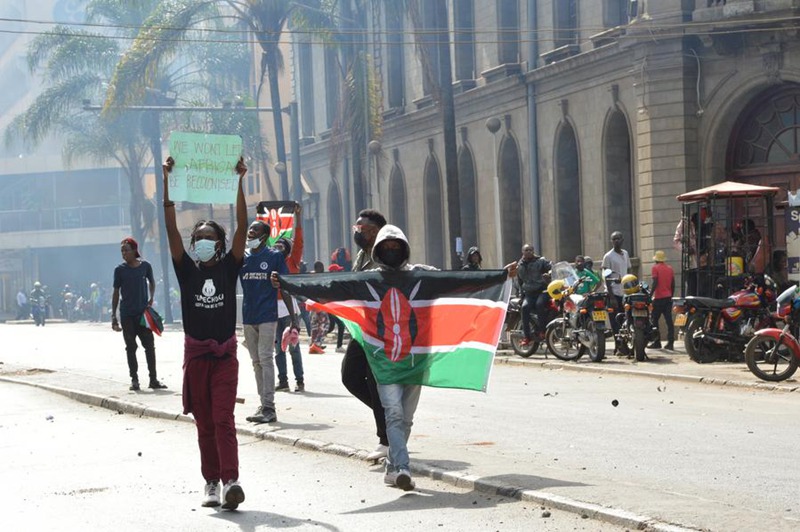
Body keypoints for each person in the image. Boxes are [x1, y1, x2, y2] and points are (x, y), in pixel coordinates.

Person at [162, 155, 247, 510]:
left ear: (221, 243)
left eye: (210, 238)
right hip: (196, 357)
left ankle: (231, 481)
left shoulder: (230, 267)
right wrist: (167, 180)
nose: (203, 242)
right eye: (198, 238)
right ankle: (211, 482)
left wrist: (240, 181)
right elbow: (169, 229)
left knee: (224, 419)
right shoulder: (186, 270)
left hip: (225, 355)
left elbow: (243, 226)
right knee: (204, 423)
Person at [342, 209, 390, 461]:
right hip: (362, 328)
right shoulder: (362, 255)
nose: (357, 232)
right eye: (356, 228)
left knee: (374, 380)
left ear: (374, 230)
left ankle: (386, 437)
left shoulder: (388, 252)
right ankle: (392, 419)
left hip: (382, 330)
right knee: (350, 377)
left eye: (360, 229)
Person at [240, 219, 289, 424]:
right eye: (250, 228)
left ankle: (269, 406)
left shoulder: (275, 257)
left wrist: (294, 319)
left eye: (255, 230)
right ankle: (263, 404)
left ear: (265, 235)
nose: (250, 232)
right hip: (248, 317)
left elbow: (285, 286)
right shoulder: (241, 257)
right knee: (256, 362)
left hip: (268, 316)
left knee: (266, 358)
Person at [111, 237, 167, 392]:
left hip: (143, 315)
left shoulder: (145, 266)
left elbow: (152, 281)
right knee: (131, 347)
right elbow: (116, 292)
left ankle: (153, 379)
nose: (124, 253)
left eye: (126, 250)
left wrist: (151, 297)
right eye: (122, 250)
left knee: (149, 346)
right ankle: (134, 380)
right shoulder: (119, 270)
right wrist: (114, 317)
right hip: (127, 315)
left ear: (134, 251)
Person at [273, 211, 305, 392]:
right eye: (275, 245)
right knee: (278, 349)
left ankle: (299, 380)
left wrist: (298, 218)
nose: (278, 247)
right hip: (273, 312)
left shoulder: (292, 261)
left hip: (289, 311)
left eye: (281, 245)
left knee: (293, 346)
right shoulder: (271, 263)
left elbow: (299, 241)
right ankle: (282, 380)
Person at [515, 244, 551, 346]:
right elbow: (520, 282)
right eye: (527, 250)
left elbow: (551, 267)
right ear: (523, 252)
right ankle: (527, 337)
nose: (529, 252)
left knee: (540, 304)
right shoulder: (520, 265)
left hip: (542, 291)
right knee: (524, 307)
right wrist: (521, 296)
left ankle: (542, 331)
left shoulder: (541, 261)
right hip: (529, 293)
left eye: (531, 250)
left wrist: (549, 274)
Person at [602, 231, 631, 354]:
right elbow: (606, 277)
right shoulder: (608, 256)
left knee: (625, 320)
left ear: (622, 240)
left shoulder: (625, 253)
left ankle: (622, 345)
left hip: (625, 293)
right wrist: (612, 296)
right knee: (615, 322)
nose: (616, 241)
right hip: (613, 294)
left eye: (618, 238)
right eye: (614, 239)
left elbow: (629, 270)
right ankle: (619, 347)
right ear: (611, 241)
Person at [649, 250, 675, 350]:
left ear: (656, 259)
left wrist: (650, 294)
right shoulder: (670, 268)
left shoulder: (655, 268)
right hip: (668, 298)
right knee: (669, 321)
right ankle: (670, 342)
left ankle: (657, 341)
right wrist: (670, 295)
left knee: (654, 320)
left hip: (658, 298)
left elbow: (655, 282)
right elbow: (672, 284)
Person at [308, 260, 330, 354]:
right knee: (324, 325)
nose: (323, 269)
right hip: (319, 305)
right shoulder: (319, 278)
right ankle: (317, 345)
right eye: (321, 267)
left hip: (311, 306)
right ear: (317, 268)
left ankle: (313, 345)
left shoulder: (310, 277)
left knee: (315, 327)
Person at [327, 263, 346, 352]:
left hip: (334, 307)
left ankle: (315, 341)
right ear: (334, 272)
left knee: (331, 327)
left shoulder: (336, 281)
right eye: (339, 270)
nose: (341, 272)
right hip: (330, 307)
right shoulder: (331, 282)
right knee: (340, 325)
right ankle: (339, 346)